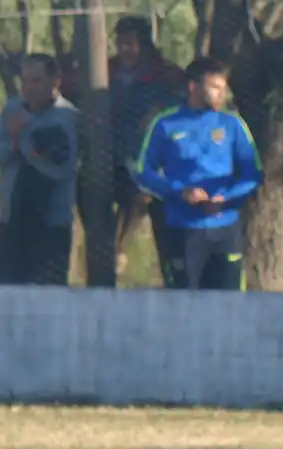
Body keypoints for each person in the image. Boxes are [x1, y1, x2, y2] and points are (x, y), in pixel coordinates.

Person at [132, 57, 261, 290]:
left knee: (229, 302)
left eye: (224, 88)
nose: (222, 94)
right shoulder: (166, 124)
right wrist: (179, 192)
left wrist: (227, 198)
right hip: (182, 228)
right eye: (214, 87)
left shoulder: (233, 124)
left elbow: (252, 173)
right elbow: (143, 171)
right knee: (183, 303)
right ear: (193, 87)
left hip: (224, 228)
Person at [102, 16, 187, 288]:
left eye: (131, 43)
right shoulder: (107, 71)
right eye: (120, 43)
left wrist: (157, 114)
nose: (125, 49)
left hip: (156, 160)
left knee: (156, 212)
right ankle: (110, 262)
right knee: (127, 200)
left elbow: (181, 104)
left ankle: (174, 277)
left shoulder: (164, 74)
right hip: (115, 156)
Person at [0, 54, 79, 286]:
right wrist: (16, 143)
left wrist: (22, 142)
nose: (28, 88)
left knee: (47, 296)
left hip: (51, 226)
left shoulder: (67, 117)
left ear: (55, 82)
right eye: (25, 81)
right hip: (12, 222)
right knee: (4, 291)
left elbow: (59, 167)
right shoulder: (12, 109)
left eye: (36, 81)